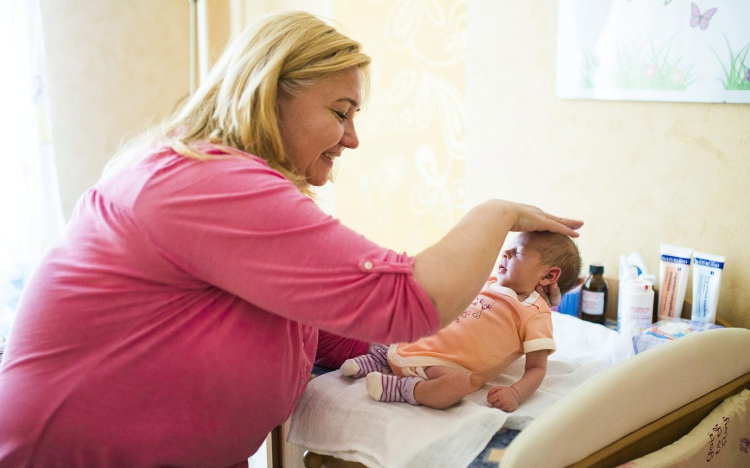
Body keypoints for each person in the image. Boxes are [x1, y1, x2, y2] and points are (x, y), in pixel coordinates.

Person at [0, 11, 582, 467]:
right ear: (270, 94)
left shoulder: (212, 178)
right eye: (341, 112)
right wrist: (498, 213)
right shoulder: (209, 183)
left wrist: (409, 352)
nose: (352, 139)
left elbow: (323, 317)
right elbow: (407, 299)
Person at [341, 231, 581, 412]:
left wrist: (516, 394)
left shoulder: (535, 313)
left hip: (443, 365)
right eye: (507, 249)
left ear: (549, 275)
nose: (505, 253)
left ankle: (403, 389)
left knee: (457, 386)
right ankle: (381, 358)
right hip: (424, 339)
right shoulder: (489, 281)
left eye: (517, 252)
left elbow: (537, 368)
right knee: (401, 315)